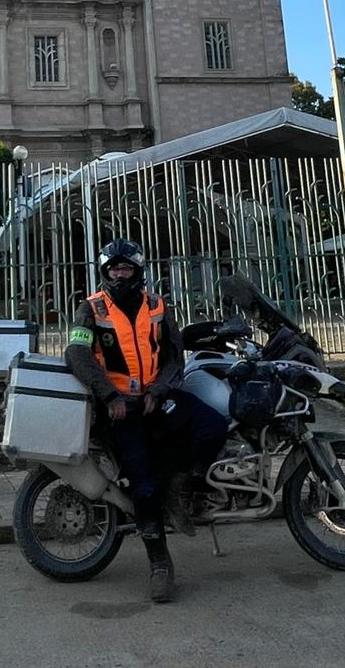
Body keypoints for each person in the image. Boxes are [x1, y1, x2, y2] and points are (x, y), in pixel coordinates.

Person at [64, 237, 228, 603]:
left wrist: (159, 389)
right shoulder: (90, 308)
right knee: (143, 486)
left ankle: (180, 484)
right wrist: (109, 395)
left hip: (157, 398)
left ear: (138, 271)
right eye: (114, 269)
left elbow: (173, 355)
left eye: (127, 268)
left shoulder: (156, 305)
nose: (120, 274)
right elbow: (76, 354)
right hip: (120, 408)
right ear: (105, 272)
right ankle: (160, 564)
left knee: (213, 426)